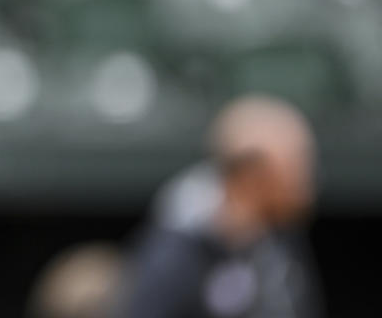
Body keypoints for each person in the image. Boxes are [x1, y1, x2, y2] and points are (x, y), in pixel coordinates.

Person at [117, 94, 323, 318]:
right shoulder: (173, 255)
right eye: (296, 165)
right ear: (252, 175)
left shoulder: (279, 242)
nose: (308, 181)